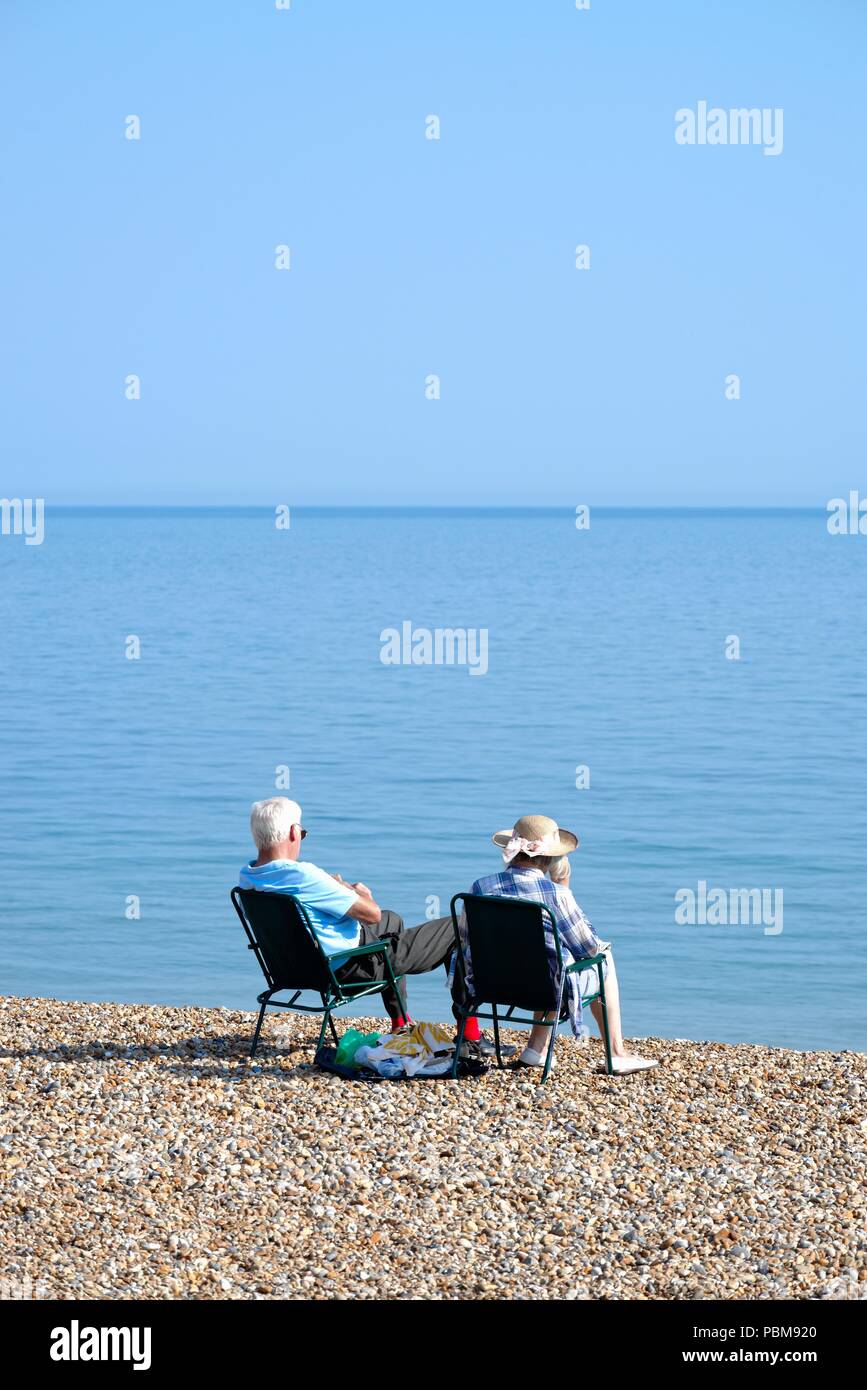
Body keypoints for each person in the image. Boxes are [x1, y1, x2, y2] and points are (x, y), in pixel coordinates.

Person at [238, 797, 459, 1032]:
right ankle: (469, 1037)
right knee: (457, 927)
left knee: (391, 919)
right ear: (294, 832)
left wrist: (331, 890)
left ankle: (400, 1022)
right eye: (302, 834)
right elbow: (371, 914)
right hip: (351, 970)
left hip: (292, 970)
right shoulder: (303, 876)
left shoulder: (248, 878)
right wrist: (358, 892)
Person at [462, 815, 658, 1075]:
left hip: (491, 984)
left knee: (546, 956)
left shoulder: (480, 886)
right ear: (550, 858)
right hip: (544, 987)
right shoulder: (556, 894)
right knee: (602, 958)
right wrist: (566, 889)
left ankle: (536, 1050)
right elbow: (588, 948)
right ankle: (616, 1053)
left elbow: (466, 939)